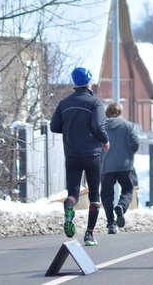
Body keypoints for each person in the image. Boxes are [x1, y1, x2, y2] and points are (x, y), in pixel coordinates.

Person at [50, 67, 110, 246]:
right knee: (94, 196)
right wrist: (105, 141)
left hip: (72, 155)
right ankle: (89, 235)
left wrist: (70, 128)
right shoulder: (95, 103)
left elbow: (54, 127)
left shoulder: (64, 103)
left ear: (74, 83)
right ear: (89, 82)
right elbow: (98, 126)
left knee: (73, 193)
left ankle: (69, 210)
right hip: (92, 155)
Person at [100, 102, 139, 234]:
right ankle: (121, 207)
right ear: (120, 113)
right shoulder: (127, 126)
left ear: (107, 113)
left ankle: (111, 223)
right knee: (128, 189)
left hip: (106, 166)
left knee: (106, 195)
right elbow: (136, 142)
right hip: (125, 165)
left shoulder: (102, 127)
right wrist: (130, 153)